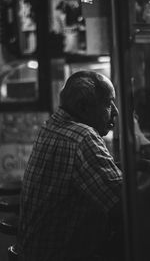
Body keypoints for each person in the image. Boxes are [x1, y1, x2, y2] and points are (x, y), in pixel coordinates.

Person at [17, 71, 123, 261]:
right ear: (83, 107)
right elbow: (122, 205)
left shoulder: (53, 125)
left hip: (33, 253)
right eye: (108, 103)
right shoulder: (82, 136)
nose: (115, 111)